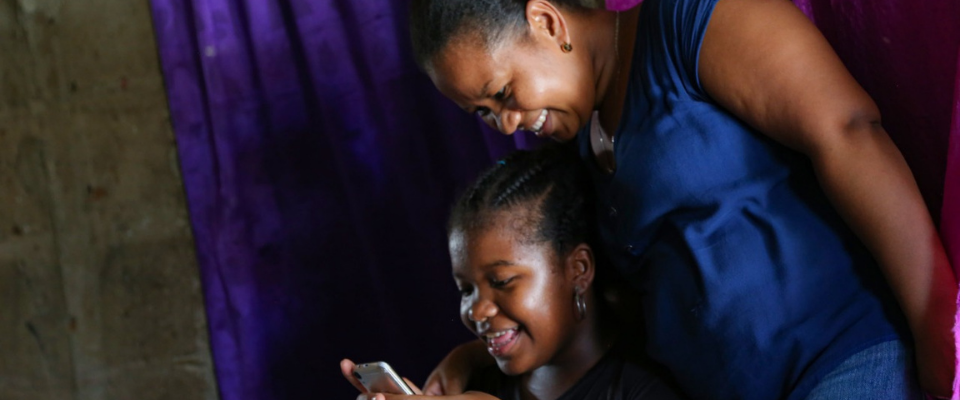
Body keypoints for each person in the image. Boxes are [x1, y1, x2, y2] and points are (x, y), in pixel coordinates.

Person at [405, 0, 958, 399]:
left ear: (547, 22)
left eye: (503, 93)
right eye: (483, 112)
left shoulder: (692, 22)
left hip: (844, 362)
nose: (505, 125)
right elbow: (600, 312)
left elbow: (848, 132)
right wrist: (476, 360)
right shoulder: (579, 152)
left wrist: (941, 329)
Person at [341, 144, 685, 400]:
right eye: (466, 289)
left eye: (501, 281)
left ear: (578, 270)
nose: (476, 310)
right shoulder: (477, 384)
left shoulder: (643, 390)